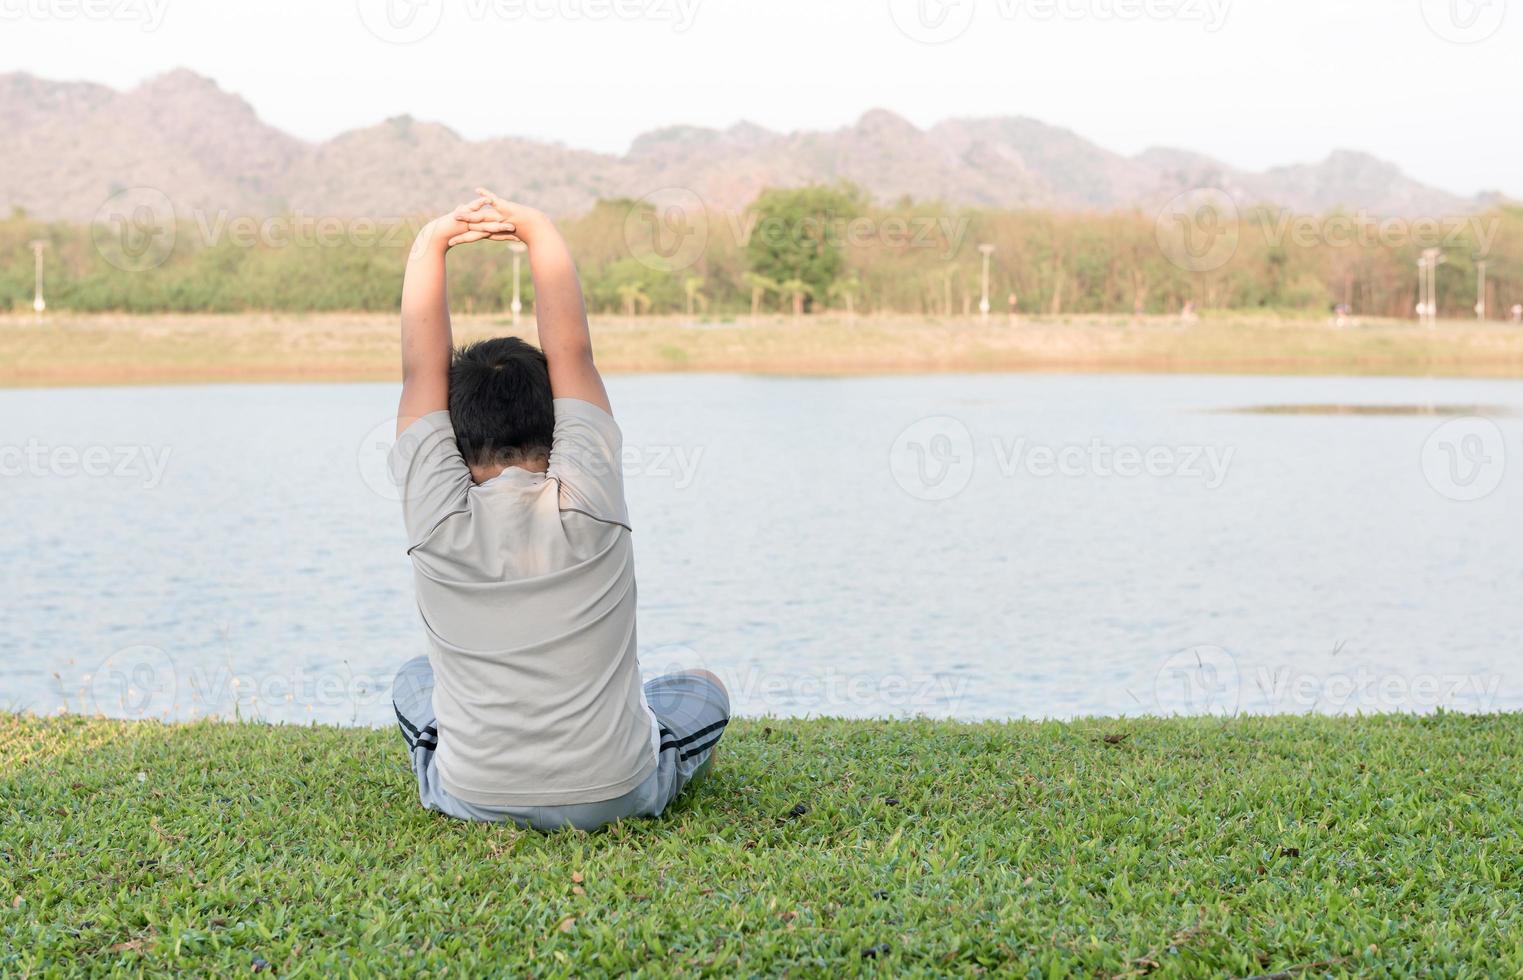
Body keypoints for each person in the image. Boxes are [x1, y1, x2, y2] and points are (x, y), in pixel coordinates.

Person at [387, 188, 729, 831]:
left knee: (412, 678)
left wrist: (432, 241)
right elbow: (573, 353)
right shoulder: (591, 500)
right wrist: (536, 229)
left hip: (476, 796)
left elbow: (417, 371)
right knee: (704, 687)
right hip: (616, 794)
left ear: (454, 445)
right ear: (557, 425)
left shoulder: (434, 514)